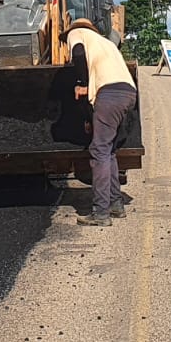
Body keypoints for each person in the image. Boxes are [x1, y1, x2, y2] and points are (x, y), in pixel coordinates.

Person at [67, 18, 138, 226]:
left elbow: (78, 55)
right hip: (128, 92)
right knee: (109, 151)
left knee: (99, 151)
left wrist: (82, 83)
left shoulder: (77, 34)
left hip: (109, 93)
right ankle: (116, 204)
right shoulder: (105, 43)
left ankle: (101, 212)